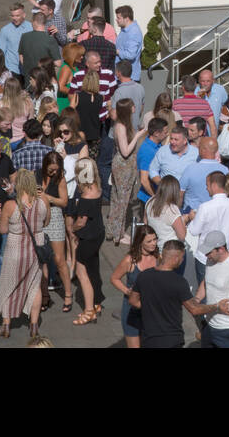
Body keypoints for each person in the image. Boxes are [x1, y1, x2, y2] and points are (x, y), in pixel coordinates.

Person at [0, 168, 47, 338]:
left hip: (16, 247)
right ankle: (34, 325)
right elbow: (46, 221)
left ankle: (6, 325)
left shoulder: (11, 205)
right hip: (36, 246)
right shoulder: (42, 201)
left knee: (8, 284)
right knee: (34, 286)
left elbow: (3, 229)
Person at [186, 170, 229, 293]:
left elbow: (194, 231)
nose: (206, 189)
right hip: (224, 254)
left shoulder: (205, 207)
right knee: (223, 292)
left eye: (207, 185)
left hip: (205, 256)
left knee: (204, 293)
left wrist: (192, 219)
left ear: (213, 185)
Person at [67, 157, 106, 326]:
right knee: (94, 269)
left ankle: (89, 310)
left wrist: (71, 229)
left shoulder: (85, 196)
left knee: (82, 273)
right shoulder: (97, 189)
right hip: (98, 233)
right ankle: (97, 302)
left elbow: (81, 221)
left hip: (88, 237)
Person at [110, 224, 158, 347]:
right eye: (149, 241)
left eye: (155, 239)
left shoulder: (158, 258)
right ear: (140, 242)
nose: (154, 243)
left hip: (151, 310)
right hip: (132, 311)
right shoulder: (130, 260)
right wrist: (127, 292)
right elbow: (114, 278)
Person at [105, 99, 144, 244]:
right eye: (132, 106)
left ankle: (115, 230)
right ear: (128, 109)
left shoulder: (125, 125)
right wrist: (138, 136)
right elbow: (125, 151)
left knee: (120, 198)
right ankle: (117, 234)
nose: (135, 107)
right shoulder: (120, 126)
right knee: (121, 199)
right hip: (123, 165)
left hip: (127, 165)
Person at [37, 151, 72, 313]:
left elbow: (64, 202)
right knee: (41, 259)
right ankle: (44, 295)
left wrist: (47, 197)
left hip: (55, 216)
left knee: (59, 259)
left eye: (56, 169)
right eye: (51, 169)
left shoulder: (60, 179)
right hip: (39, 216)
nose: (54, 172)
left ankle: (68, 294)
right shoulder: (37, 175)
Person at [180, 137, 228, 214]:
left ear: (203, 149)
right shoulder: (225, 170)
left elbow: (180, 195)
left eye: (199, 147)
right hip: (216, 215)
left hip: (192, 216)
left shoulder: (190, 169)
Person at [145, 175, 187, 256]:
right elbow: (182, 236)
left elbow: (146, 223)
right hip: (171, 252)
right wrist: (183, 221)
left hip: (154, 249)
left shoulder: (150, 201)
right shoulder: (172, 209)